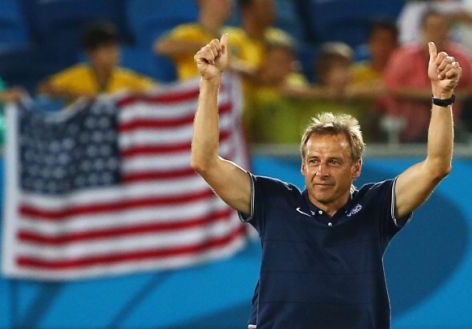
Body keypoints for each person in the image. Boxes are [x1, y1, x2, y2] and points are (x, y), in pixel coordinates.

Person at [191, 34, 461, 328]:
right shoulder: (274, 201)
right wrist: (210, 83)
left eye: (333, 162)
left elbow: (436, 165)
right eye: (314, 161)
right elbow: (205, 162)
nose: (321, 171)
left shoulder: (375, 207)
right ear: (303, 167)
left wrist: (441, 96)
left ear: (356, 168)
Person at [385, 9, 472, 142]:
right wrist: (437, 95)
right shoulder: (403, 56)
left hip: (451, 130)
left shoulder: (462, 57)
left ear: (448, 31)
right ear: (422, 30)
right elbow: (392, 88)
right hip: (408, 131)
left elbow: (469, 90)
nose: (437, 33)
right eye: (432, 28)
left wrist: (453, 95)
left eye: (441, 28)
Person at [39, 21, 155, 103]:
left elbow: (156, 91)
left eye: (116, 48)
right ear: (91, 53)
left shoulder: (127, 78)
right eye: (108, 49)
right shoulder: (77, 74)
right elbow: (45, 89)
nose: (115, 54)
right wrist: (80, 96)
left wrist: (137, 94)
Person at [153, 0, 233, 81]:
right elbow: (161, 47)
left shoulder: (236, 36)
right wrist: (202, 47)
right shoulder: (190, 33)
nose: (228, 2)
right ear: (203, 2)